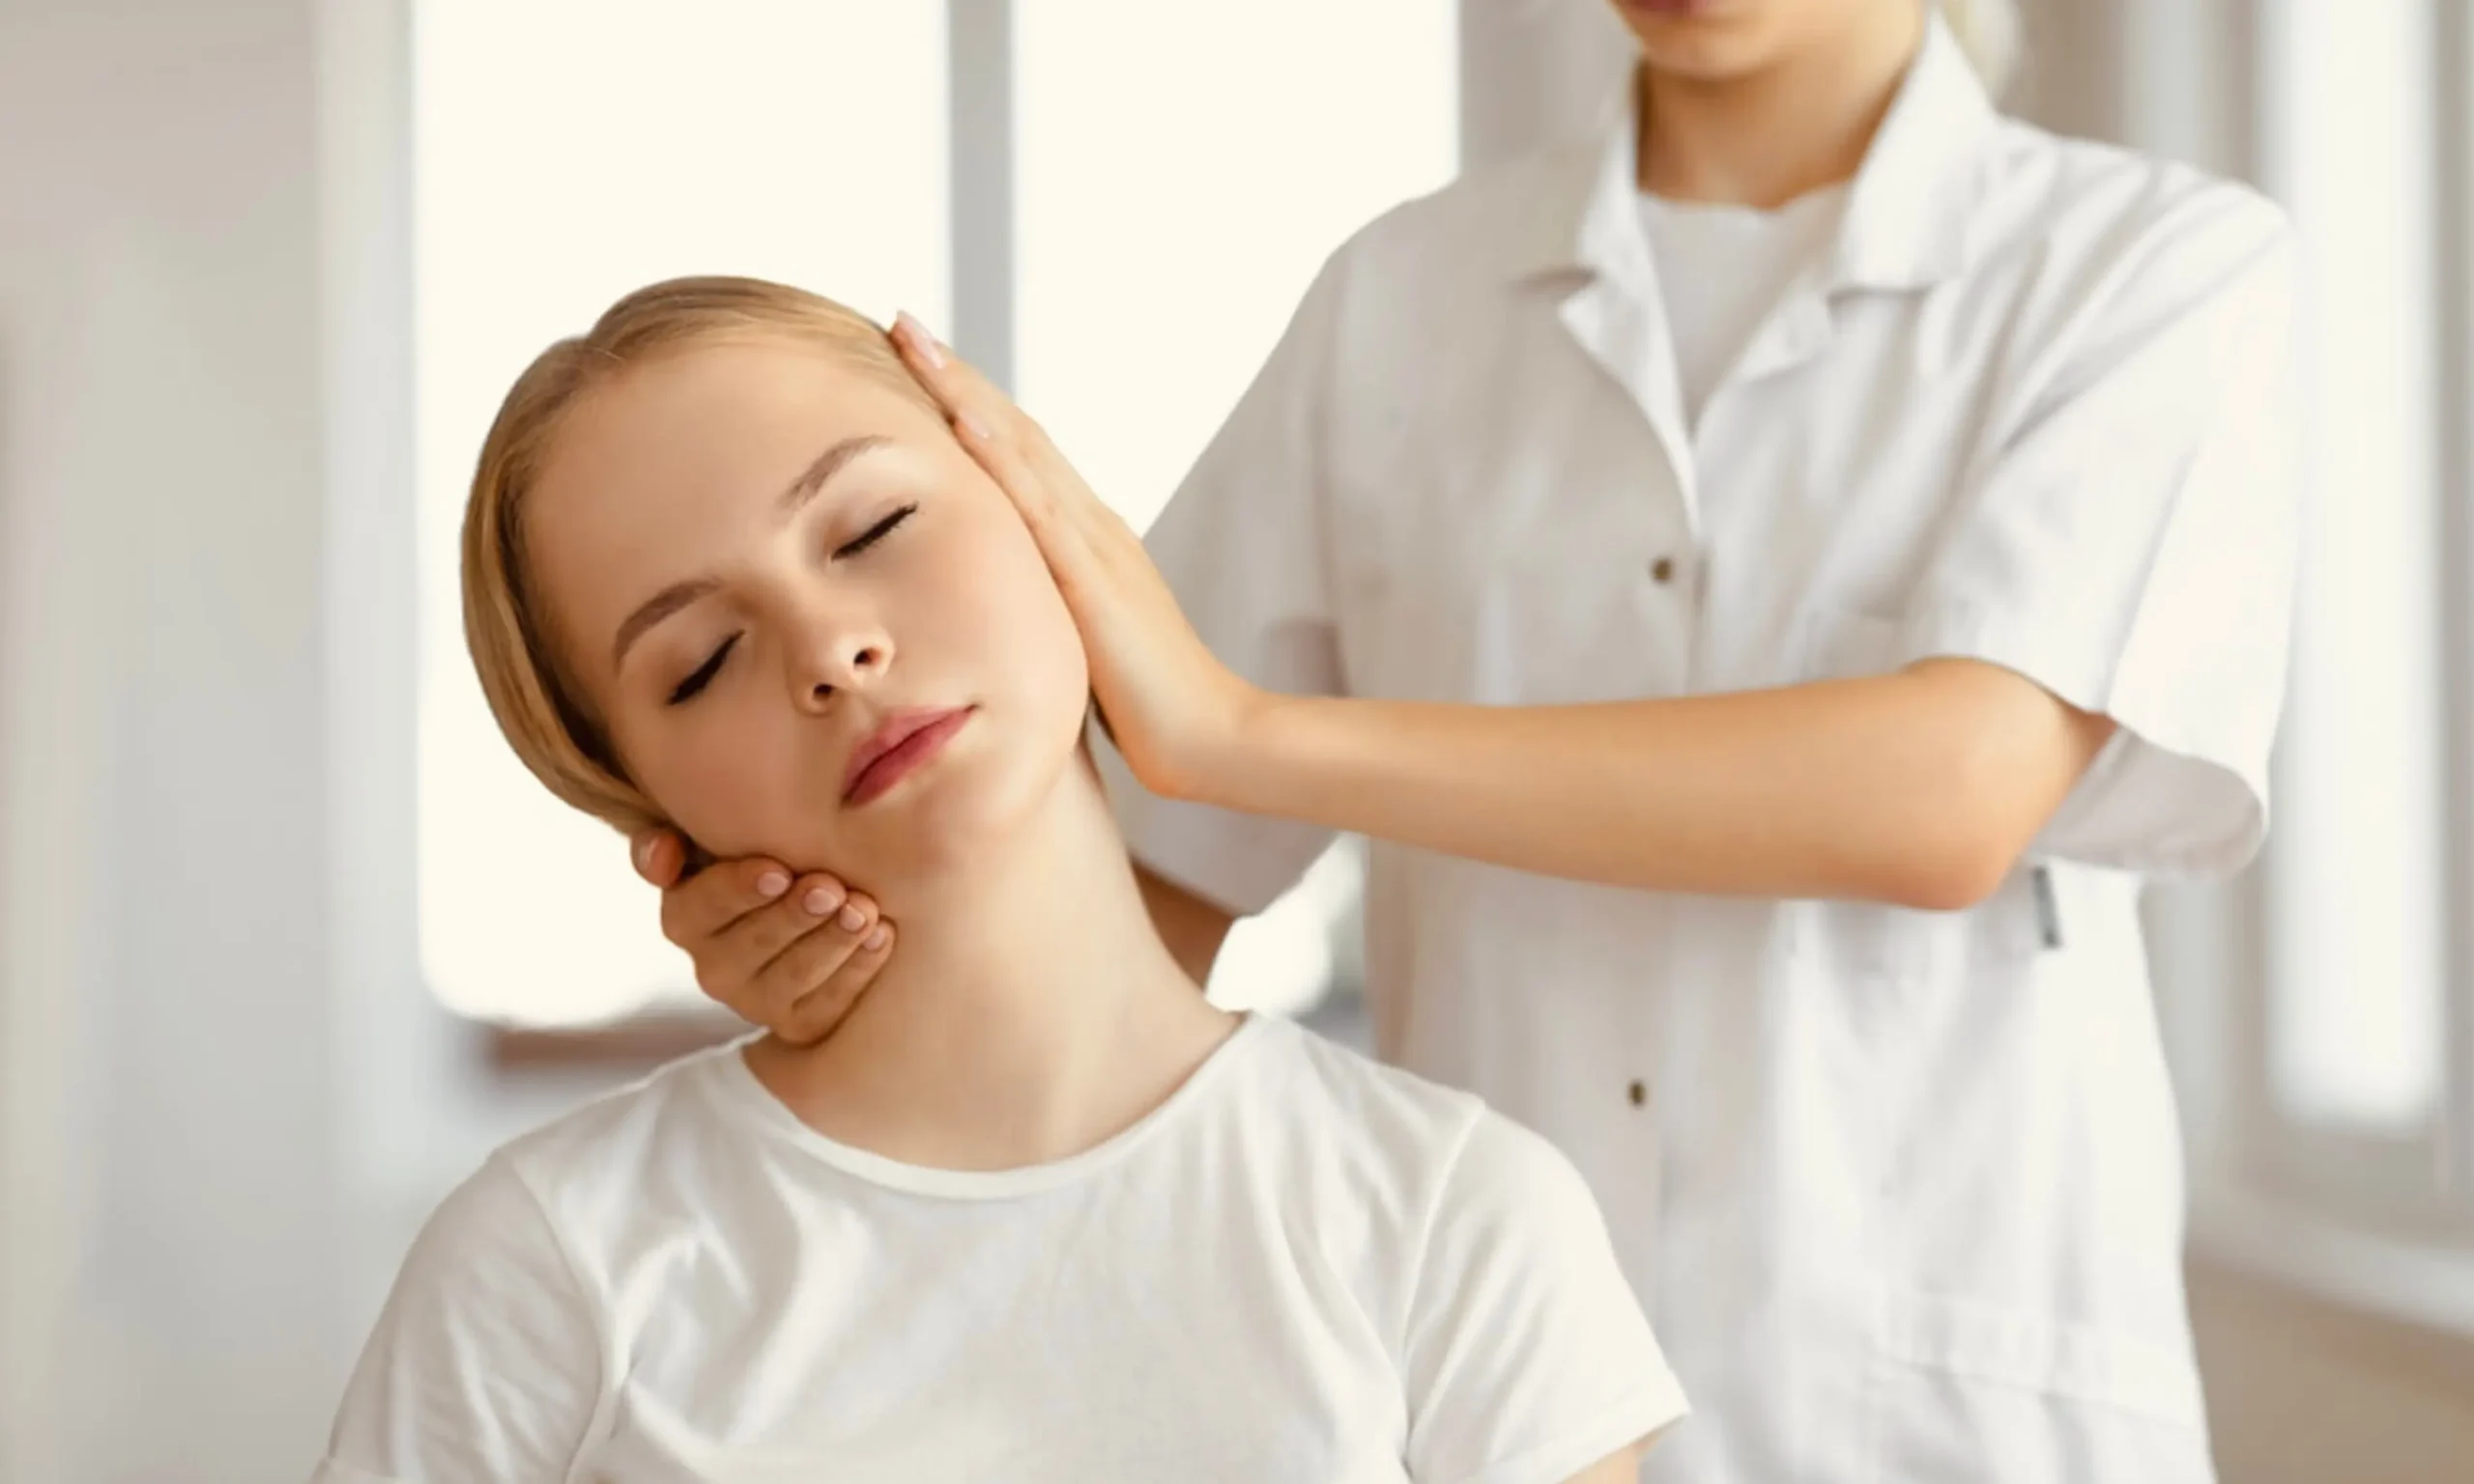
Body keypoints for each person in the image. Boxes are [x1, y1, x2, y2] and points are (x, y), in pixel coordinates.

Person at [635, 2, 2301, 1479]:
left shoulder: (2148, 267)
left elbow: (1947, 797)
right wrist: (847, 971)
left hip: (1947, 1420)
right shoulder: (1400, 301)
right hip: (1471, 1406)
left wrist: (1247, 736)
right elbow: (1120, 909)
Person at [312, 277, 1687, 1484]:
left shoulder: (1457, 1221)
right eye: (701, 663)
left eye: (871, 527)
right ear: (644, 808)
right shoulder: (552, 1266)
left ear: (1041, 500)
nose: (830, 646)